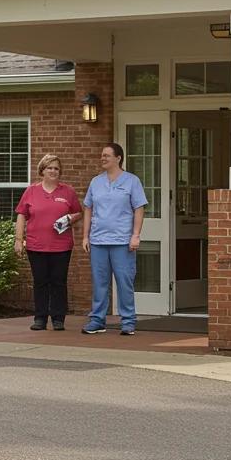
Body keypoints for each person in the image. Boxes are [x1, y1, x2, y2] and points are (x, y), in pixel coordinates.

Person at [81, 143, 148, 336]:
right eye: (102, 155)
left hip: (122, 241)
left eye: (107, 155)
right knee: (99, 282)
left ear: (118, 158)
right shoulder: (96, 182)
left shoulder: (132, 181)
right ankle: (97, 320)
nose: (102, 158)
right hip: (98, 241)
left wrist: (135, 235)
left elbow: (139, 208)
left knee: (124, 281)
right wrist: (85, 236)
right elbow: (88, 208)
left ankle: (128, 321)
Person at [14, 154, 82, 331]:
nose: (53, 171)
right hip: (36, 246)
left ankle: (58, 319)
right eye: (49, 168)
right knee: (40, 282)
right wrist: (18, 240)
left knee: (59, 282)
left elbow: (78, 212)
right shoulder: (31, 191)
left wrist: (69, 218)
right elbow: (21, 215)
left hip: (61, 246)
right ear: (42, 170)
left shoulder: (68, 191)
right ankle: (40, 318)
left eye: (56, 168)